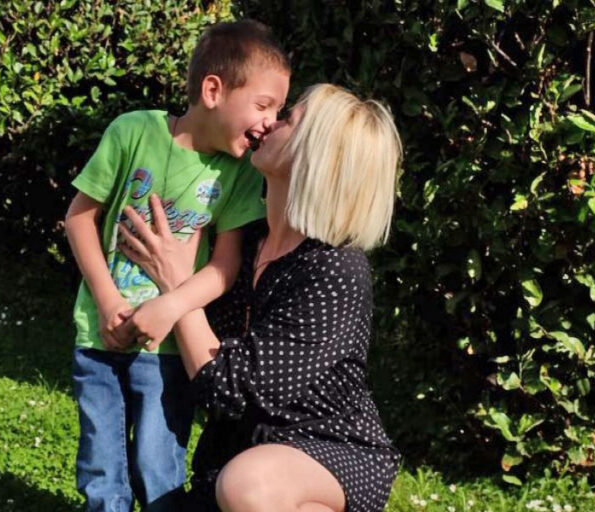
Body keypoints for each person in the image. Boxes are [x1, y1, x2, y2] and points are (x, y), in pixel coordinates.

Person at [117, 83, 403, 512]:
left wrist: (178, 287)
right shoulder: (245, 243)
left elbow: (229, 387)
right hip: (235, 456)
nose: (269, 123)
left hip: (326, 447)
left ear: (315, 155)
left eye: (289, 119)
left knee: (248, 486)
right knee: (239, 485)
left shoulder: (335, 270)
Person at [63, 20, 290, 511]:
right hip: (99, 336)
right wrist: (106, 301)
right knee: (101, 467)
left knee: (158, 467)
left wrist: (170, 308)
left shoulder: (239, 173)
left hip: (168, 352)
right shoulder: (132, 132)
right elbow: (79, 218)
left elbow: (226, 266)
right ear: (213, 91)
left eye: (277, 110)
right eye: (263, 105)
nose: (271, 122)